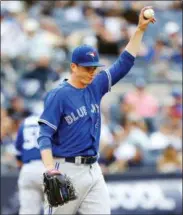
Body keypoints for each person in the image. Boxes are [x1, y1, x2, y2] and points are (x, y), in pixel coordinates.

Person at [37, 6, 156, 215]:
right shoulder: (59, 95)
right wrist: (49, 168)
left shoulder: (96, 85)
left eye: (94, 67)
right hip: (66, 169)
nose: (92, 72)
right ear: (74, 67)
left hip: (94, 168)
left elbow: (125, 63)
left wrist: (139, 30)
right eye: (87, 68)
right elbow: (44, 136)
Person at [15, 114, 46, 214]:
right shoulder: (51, 119)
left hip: (28, 167)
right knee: (54, 210)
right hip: (48, 167)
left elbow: (17, 152)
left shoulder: (26, 122)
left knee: (27, 211)